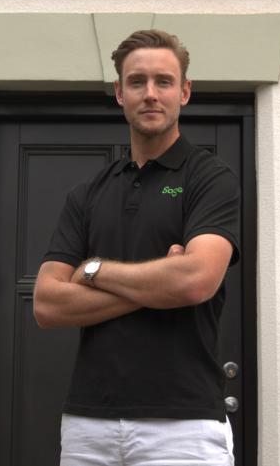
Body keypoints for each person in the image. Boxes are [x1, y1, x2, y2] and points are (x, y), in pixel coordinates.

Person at [33, 29, 242, 466]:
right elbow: (48, 304)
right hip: (87, 425)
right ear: (119, 93)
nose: (151, 94)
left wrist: (92, 270)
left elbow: (195, 280)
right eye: (137, 82)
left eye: (164, 82)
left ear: (184, 92)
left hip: (182, 428)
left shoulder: (209, 178)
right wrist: (156, 286)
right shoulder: (87, 192)